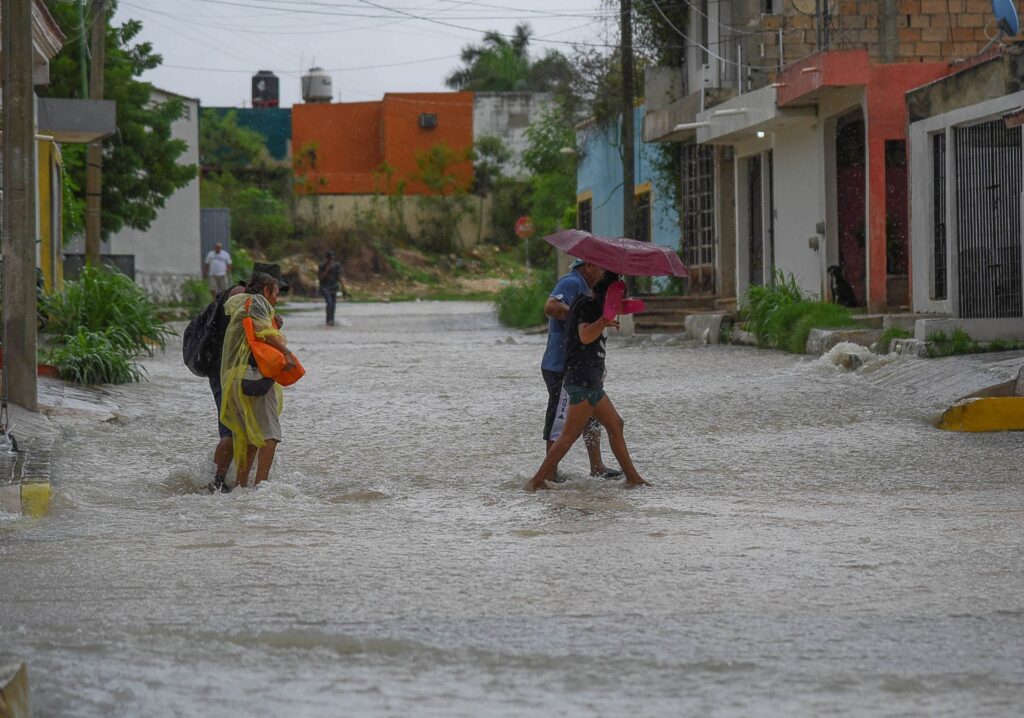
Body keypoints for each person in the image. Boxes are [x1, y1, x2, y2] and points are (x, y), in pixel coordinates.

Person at [528, 271, 648, 492]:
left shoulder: (594, 307)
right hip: (582, 382)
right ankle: (536, 481)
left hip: (591, 382)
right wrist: (603, 321)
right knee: (567, 437)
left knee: (616, 425)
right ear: (608, 297)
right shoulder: (588, 307)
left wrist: (612, 315)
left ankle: (633, 478)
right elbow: (584, 336)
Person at [204, 263, 289, 493]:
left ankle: (235, 487)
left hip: (229, 375)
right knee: (270, 435)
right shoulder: (257, 302)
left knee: (245, 435)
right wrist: (286, 351)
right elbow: (263, 334)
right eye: (277, 292)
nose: (277, 299)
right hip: (251, 375)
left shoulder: (237, 299)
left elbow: (249, 328)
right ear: (268, 288)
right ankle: (260, 489)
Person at [541, 258, 622, 481]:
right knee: (560, 419)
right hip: (561, 365)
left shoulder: (588, 291)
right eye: (601, 267)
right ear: (587, 266)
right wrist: (579, 315)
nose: (603, 272)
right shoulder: (572, 282)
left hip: (582, 367)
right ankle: (548, 473)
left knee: (591, 417)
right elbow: (550, 307)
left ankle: (597, 466)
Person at [318, 250, 349, 326]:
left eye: (332, 259)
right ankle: (328, 320)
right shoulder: (322, 266)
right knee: (329, 303)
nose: (331, 261)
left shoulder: (336, 265)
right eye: (329, 259)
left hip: (334, 287)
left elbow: (339, 277)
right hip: (325, 287)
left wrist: (344, 287)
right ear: (327, 259)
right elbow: (321, 278)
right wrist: (327, 270)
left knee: (334, 305)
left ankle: (332, 321)